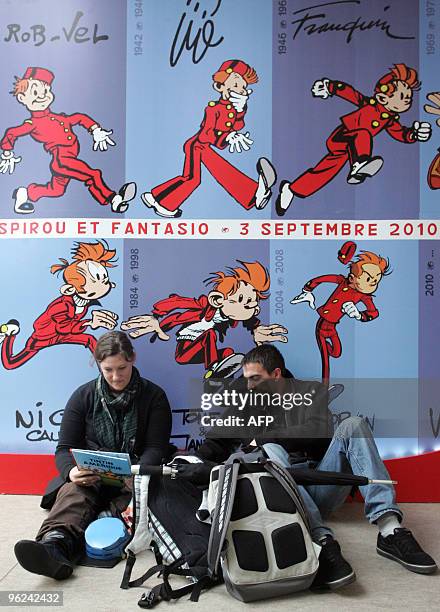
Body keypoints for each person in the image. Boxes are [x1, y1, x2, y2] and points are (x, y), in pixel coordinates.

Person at [197, 345, 437, 589]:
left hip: (321, 483)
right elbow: (218, 439)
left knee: (353, 425)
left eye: (255, 378)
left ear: (276, 374)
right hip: (284, 494)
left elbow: (319, 435)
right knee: (270, 452)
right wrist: (193, 461)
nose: (249, 386)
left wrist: (263, 437)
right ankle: (321, 540)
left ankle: (390, 530)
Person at [14, 331, 172, 580]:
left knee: (129, 504)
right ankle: (54, 546)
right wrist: (71, 471)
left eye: (122, 368)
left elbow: (156, 448)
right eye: (108, 369)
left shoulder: (154, 397)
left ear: (133, 359)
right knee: (74, 492)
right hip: (92, 476)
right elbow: (64, 448)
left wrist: (134, 472)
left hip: (133, 478)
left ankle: (95, 526)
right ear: (98, 364)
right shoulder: (83, 396)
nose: (115, 376)